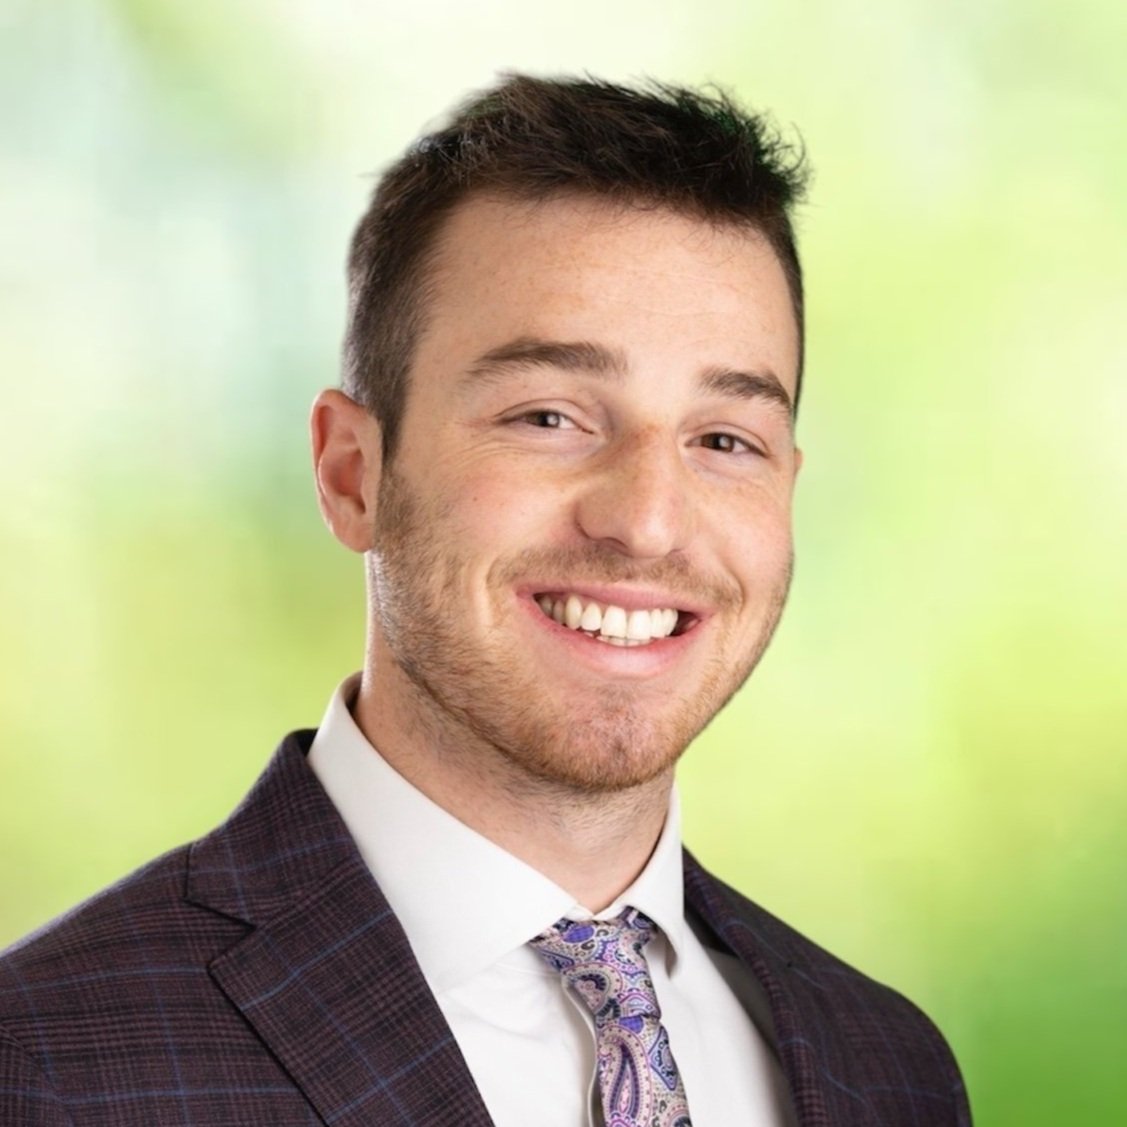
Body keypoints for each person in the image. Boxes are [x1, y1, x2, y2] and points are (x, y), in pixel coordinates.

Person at [0, 74, 971, 1126]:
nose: (646, 519)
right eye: (549, 416)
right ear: (350, 473)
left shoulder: (887, 1066)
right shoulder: (50, 1059)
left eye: (723, 440)